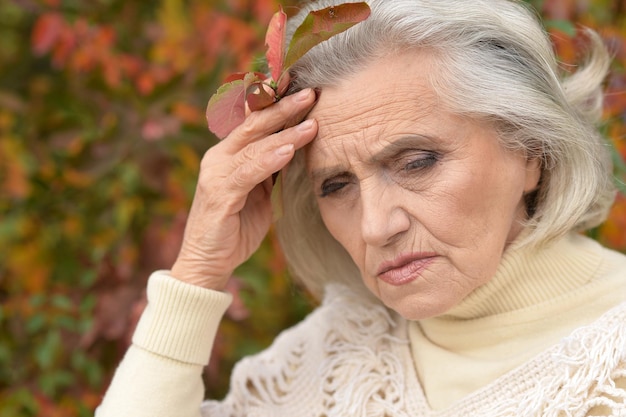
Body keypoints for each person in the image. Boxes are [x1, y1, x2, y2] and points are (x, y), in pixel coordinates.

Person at [96, 0, 626, 415]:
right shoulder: (333, 355)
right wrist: (196, 274)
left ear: (530, 148)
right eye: (336, 186)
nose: (376, 227)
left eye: (417, 162)